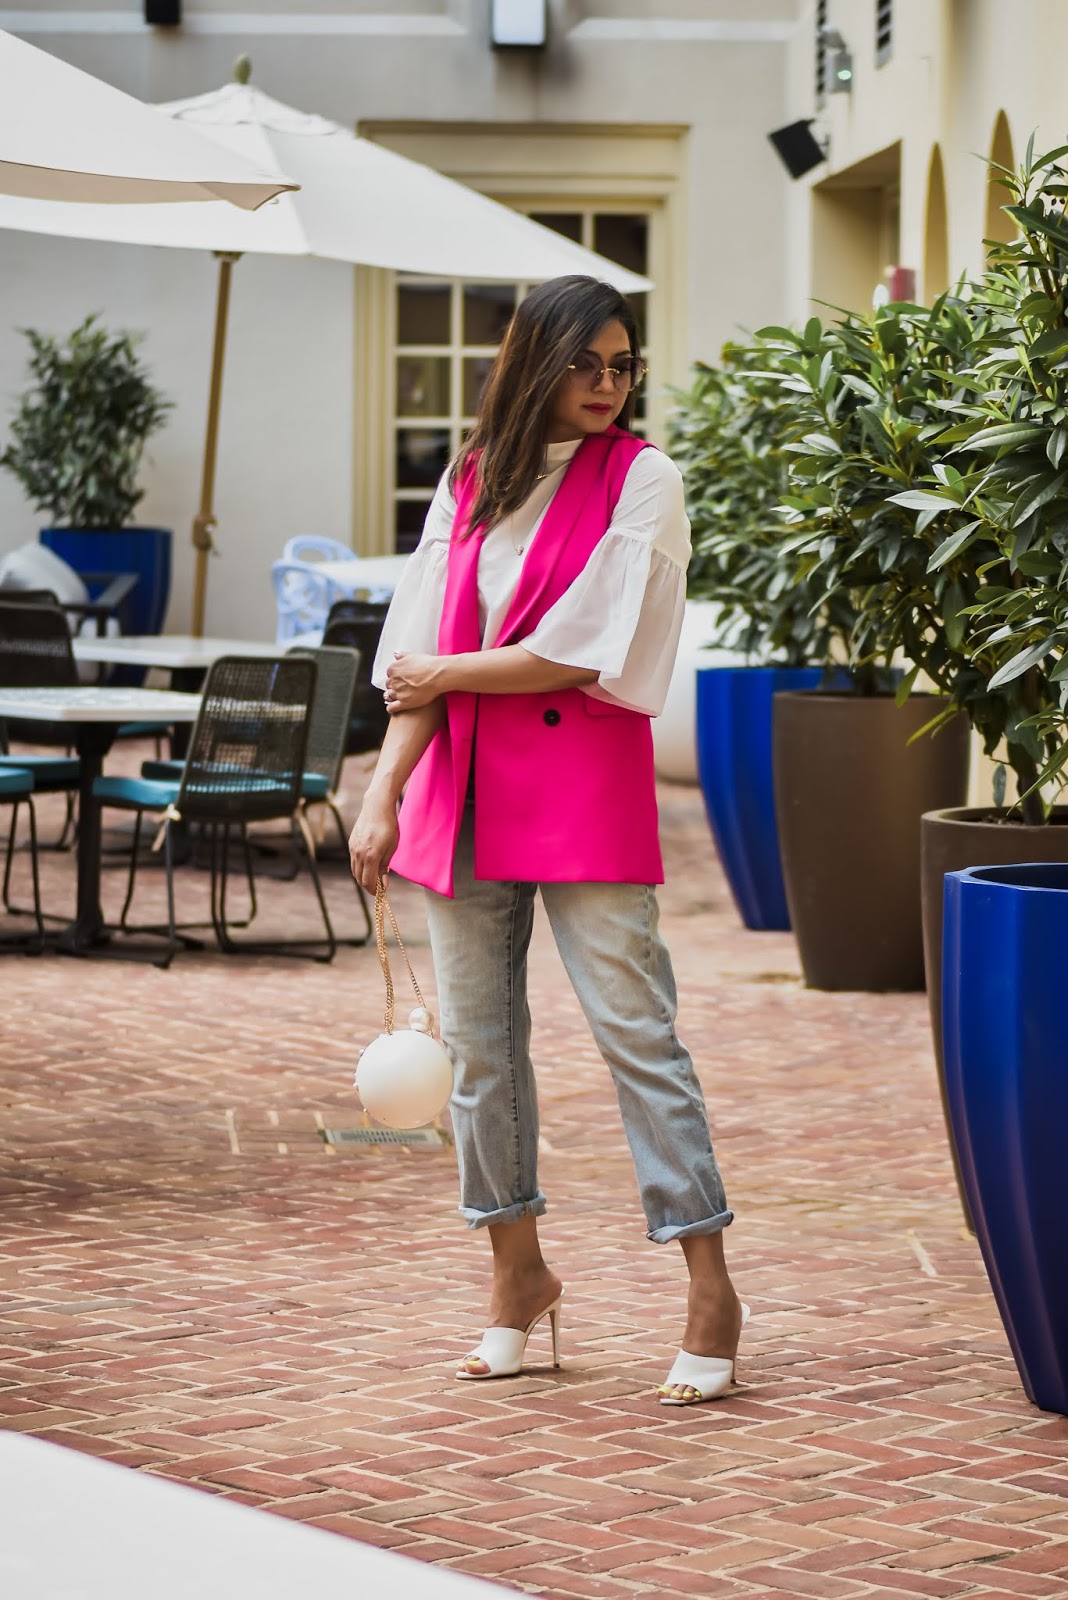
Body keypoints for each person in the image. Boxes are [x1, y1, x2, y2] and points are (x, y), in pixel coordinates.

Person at [349, 274, 746, 1406]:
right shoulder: (472, 479)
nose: (609, 384)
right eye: (587, 364)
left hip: (580, 788)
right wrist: (383, 793)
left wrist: (444, 673)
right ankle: (516, 1274)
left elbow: (583, 648)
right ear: (534, 361)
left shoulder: (645, 478)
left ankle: (711, 1287)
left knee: (637, 1034)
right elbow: (416, 663)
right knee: (480, 1053)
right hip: (464, 787)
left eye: (624, 365)